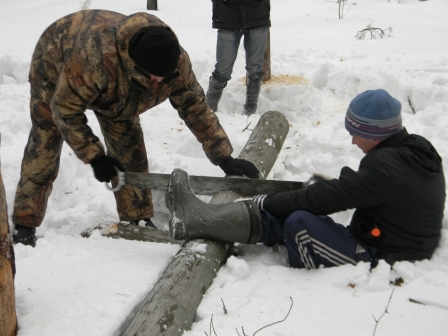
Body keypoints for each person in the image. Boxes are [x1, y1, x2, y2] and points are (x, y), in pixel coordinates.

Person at [12, 10, 260, 247]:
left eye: (165, 76)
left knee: (129, 148)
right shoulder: (93, 60)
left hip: (114, 89)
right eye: (154, 78)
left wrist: (223, 156)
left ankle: (137, 218)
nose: (160, 82)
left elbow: (194, 104)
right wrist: (96, 157)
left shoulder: (173, 58)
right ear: (134, 65)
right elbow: (66, 111)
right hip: (55, 62)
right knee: (46, 140)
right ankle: (25, 224)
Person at [165, 89, 446, 268]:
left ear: (375, 134)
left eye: (356, 133)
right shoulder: (408, 151)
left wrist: (266, 202)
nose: (352, 141)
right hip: (382, 239)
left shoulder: (387, 167)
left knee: (300, 222)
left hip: (385, 258)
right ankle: (201, 219)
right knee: (293, 213)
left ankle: (206, 221)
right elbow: (357, 191)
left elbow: (326, 199)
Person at [206, 0, 271, 116]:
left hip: (257, 15)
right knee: (223, 69)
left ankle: (251, 110)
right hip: (228, 17)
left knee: (255, 68)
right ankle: (207, 110)